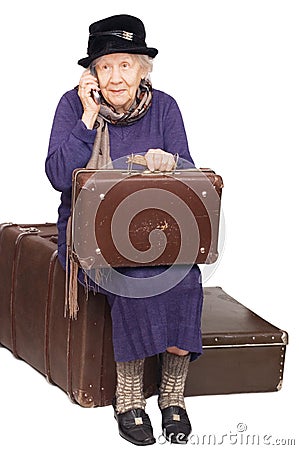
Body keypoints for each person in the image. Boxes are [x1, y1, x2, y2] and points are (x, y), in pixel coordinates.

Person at [46, 14, 203, 446]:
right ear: (92, 74)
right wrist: (87, 117)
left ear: (142, 69)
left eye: (125, 65)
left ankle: (173, 396)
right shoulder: (72, 106)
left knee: (187, 278)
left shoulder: (166, 107)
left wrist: (169, 165)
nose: (115, 77)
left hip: (156, 232)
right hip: (91, 238)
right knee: (133, 278)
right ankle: (130, 399)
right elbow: (60, 175)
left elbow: (190, 181)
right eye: (105, 66)